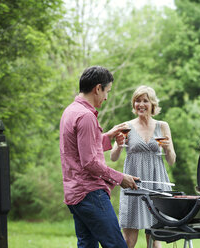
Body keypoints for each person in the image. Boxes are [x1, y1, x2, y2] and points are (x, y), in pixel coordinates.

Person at [59, 66, 139, 248]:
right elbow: (89, 162)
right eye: (107, 91)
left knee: (87, 245)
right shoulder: (86, 116)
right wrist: (120, 178)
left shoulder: (70, 111)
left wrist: (108, 136)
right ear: (97, 88)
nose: (106, 97)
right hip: (90, 193)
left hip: (75, 194)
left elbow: (78, 150)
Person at [110, 85, 176, 248]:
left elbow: (171, 160)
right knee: (129, 239)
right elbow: (113, 157)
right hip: (134, 183)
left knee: (154, 238)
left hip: (156, 182)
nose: (140, 104)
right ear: (133, 105)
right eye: (137, 101)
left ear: (152, 104)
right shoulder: (126, 126)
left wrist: (167, 148)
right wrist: (118, 145)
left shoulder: (162, 126)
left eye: (145, 101)